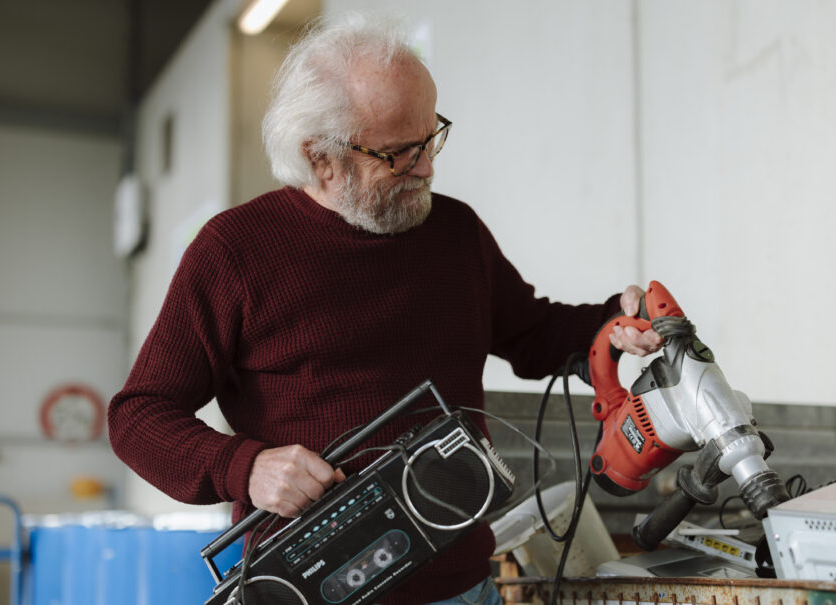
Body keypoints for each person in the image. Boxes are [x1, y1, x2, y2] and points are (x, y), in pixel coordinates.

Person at [108, 12, 662, 605]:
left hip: (463, 588)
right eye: (399, 154)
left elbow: (534, 333)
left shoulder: (456, 232)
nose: (427, 167)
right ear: (320, 157)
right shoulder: (235, 251)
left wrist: (614, 319)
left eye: (432, 137)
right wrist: (246, 468)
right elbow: (139, 416)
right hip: (314, 591)